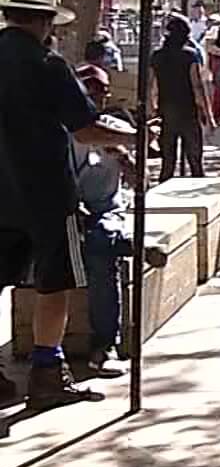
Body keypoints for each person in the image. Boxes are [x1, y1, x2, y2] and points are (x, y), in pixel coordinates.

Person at [0, 0, 136, 408]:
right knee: (53, 283)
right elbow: (84, 128)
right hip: (44, 192)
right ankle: (46, 371)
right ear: (43, 22)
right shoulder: (48, 65)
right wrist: (129, 138)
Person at [72, 66, 134, 379]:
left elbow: (140, 181)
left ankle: (105, 343)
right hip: (66, 208)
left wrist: (124, 157)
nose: (93, 97)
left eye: (99, 91)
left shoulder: (116, 128)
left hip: (105, 211)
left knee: (102, 245)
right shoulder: (61, 130)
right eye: (87, 91)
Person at [152, 16, 213, 180]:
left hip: (166, 110)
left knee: (167, 162)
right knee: (195, 161)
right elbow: (197, 86)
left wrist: (153, 109)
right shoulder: (190, 56)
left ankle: (163, 197)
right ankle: (197, 194)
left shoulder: (157, 56)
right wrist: (208, 114)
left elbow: (152, 86)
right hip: (188, 111)